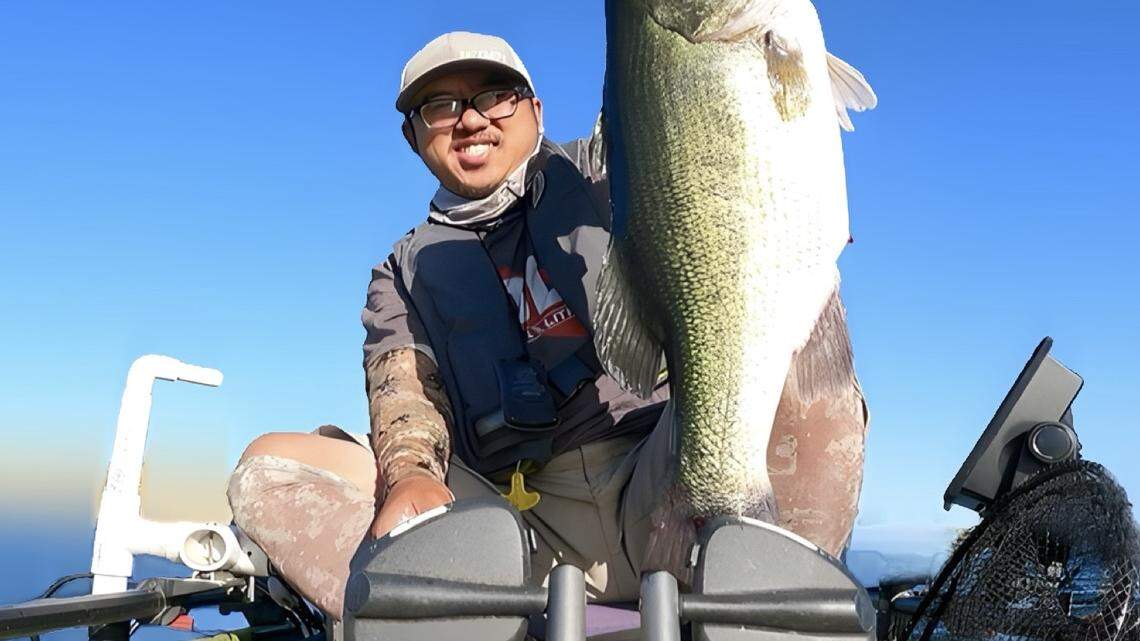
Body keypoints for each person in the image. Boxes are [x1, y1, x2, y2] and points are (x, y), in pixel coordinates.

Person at [227, 31, 869, 620]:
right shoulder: (399, 272)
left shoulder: (612, 170)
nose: (472, 119)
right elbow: (405, 392)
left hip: (665, 468)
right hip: (513, 529)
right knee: (272, 464)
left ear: (535, 110)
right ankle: (459, 620)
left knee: (791, 342)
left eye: (495, 96)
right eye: (440, 107)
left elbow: (722, 151)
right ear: (414, 137)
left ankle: (778, 607)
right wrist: (412, 473)